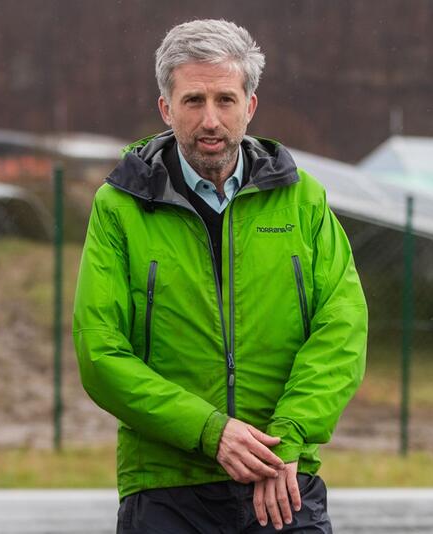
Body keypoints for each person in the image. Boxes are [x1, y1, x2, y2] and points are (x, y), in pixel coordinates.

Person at [73, 19, 367, 533]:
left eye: (225, 100)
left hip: (283, 480)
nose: (211, 120)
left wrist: (288, 438)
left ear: (250, 106)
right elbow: (100, 352)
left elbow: (342, 330)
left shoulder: (305, 201)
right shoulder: (118, 207)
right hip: (166, 489)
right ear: (166, 108)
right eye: (193, 101)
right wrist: (212, 433)